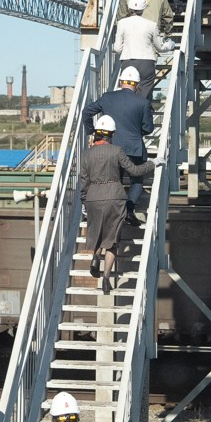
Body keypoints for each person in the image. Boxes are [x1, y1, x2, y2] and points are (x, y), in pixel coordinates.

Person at [78, 114, 154, 290]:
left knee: (97, 231)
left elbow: (84, 181)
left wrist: (84, 202)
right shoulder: (117, 151)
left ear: (97, 134)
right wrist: (152, 163)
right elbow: (134, 171)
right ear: (111, 135)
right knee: (112, 239)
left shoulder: (86, 154)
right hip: (115, 195)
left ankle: (95, 257)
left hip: (93, 196)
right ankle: (106, 279)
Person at [81, 65, 155, 210]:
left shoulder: (108, 97)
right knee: (137, 180)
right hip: (134, 148)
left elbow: (86, 112)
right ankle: (129, 207)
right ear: (137, 85)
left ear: (121, 82)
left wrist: (92, 132)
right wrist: (136, 131)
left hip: (111, 146)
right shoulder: (143, 102)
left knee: (115, 179)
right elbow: (148, 128)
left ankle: (115, 208)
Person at [113, 0, 168, 99]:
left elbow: (117, 48)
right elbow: (160, 47)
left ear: (129, 7)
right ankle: (144, 112)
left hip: (128, 61)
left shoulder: (122, 23)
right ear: (144, 8)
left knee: (127, 95)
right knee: (144, 96)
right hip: (146, 62)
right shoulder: (151, 25)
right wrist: (170, 45)